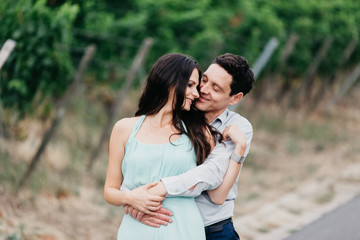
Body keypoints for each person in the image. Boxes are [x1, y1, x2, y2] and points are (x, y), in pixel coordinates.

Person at [104, 53, 247, 240]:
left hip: (184, 229)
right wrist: (130, 199)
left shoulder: (199, 133)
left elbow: (217, 194)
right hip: (137, 228)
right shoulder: (124, 128)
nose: (197, 93)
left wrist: (240, 149)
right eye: (191, 85)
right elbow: (110, 190)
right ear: (169, 81)